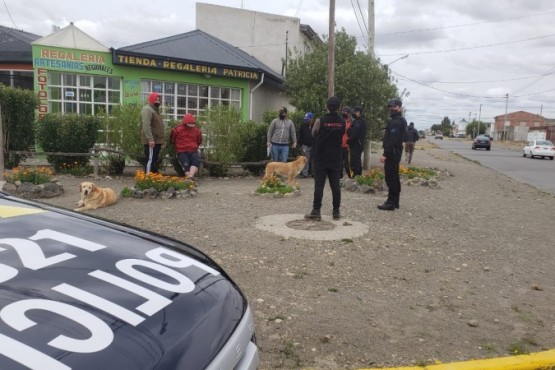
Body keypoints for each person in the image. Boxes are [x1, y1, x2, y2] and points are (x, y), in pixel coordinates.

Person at [305, 96, 346, 221]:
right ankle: (336, 212)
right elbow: (342, 133)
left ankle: (316, 211)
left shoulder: (320, 121)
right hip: (335, 157)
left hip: (320, 157)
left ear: (327, 106)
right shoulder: (342, 122)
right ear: (339, 108)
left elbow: (313, 133)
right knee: (335, 185)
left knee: (319, 185)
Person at [378, 99, 407, 211]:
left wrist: (385, 153)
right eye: (390, 107)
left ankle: (390, 202)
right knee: (394, 176)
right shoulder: (400, 120)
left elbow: (393, 139)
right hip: (395, 151)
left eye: (394, 107)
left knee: (390, 177)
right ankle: (395, 202)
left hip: (392, 152)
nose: (391, 109)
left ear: (399, 108)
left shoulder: (396, 122)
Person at [170, 113, 202, 179]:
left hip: (192, 150)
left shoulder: (197, 130)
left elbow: (199, 140)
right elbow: (172, 140)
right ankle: (190, 178)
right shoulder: (177, 130)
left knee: (195, 162)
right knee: (186, 165)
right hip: (182, 151)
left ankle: (190, 177)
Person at [141, 92, 165, 174]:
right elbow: (146, 126)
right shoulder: (147, 110)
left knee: (153, 160)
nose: (158, 101)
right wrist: (150, 139)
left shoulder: (154, 110)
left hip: (157, 140)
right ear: (151, 99)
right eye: (156, 99)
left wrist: (161, 140)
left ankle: (153, 179)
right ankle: (147, 179)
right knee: (150, 160)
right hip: (152, 141)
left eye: (159, 100)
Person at [347, 106, 367, 177]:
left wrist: (348, 141)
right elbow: (349, 132)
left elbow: (355, 134)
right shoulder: (356, 121)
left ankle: (356, 177)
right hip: (355, 144)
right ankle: (356, 177)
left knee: (355, 162)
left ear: (359, 112)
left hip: (357, 144)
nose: (353, 113)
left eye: (354, 112)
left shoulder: (360, 122)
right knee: (355, 161)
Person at [298, 112, 314, 177]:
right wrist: (300, 145)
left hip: (313, 145)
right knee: (305, 160)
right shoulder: (303, 125)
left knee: (313, 160)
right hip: (305, 145)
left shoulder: (315, 125)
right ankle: (305, 173)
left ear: (311, 119)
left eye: (307, 119)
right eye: (305, 119)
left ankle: (313, 173)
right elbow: (300, 136)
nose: (306, 120)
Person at [340, 106, 352, 179]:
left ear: (348, 113)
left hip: (347, 145)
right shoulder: (339, 120)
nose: (343, 113)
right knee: (339, 162)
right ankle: (339, 177)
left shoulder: (351, 122)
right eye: (342, 111)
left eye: (345, 111)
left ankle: (350, 176)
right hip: (339, 144)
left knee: (347, 162)